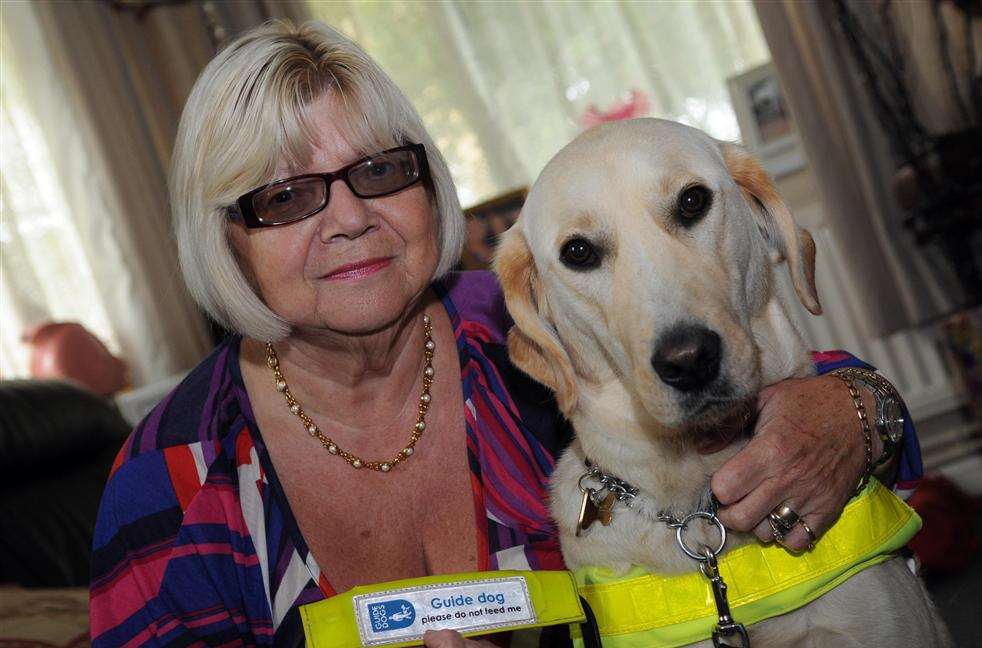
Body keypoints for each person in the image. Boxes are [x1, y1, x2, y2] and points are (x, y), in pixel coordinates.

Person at [89, 20, 921, 647]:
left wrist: (856, 408)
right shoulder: (170, 480)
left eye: (378, 171)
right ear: (225, 238)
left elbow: (785, 381)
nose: (348, 218)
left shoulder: (528, 321)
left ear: (427, 185)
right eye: (283, 196)